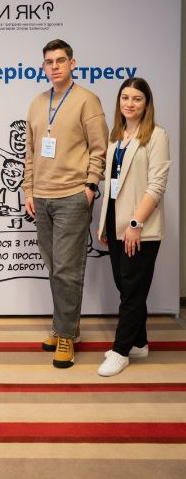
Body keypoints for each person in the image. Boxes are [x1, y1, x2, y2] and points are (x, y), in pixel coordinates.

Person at [23, 39, 108, 368]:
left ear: (72, 63)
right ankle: (65, 327)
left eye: (61, 60)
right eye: (49, 62)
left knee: (66, 270)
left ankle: (66, 336)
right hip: (41, 198)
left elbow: (99, 148)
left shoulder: (87, 100)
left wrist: (90, 187)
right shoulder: (37, 103)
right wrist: (29, 190)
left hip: (73, 195)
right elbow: (30, 152)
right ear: (43, 67)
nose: (55, 66)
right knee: (54, 267)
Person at [97, 78, 170, 377]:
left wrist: (136, 223)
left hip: (139, 227)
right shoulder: (116, 137)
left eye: (137, 98)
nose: (129, 103)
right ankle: (138, 342)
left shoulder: (156, 135)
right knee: (125, 285)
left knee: (131, 291)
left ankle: (121, 351)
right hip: (115, 222)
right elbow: (114, 183)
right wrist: (106, 223)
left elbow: (157, 185)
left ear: (146, 103)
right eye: (125, 97)